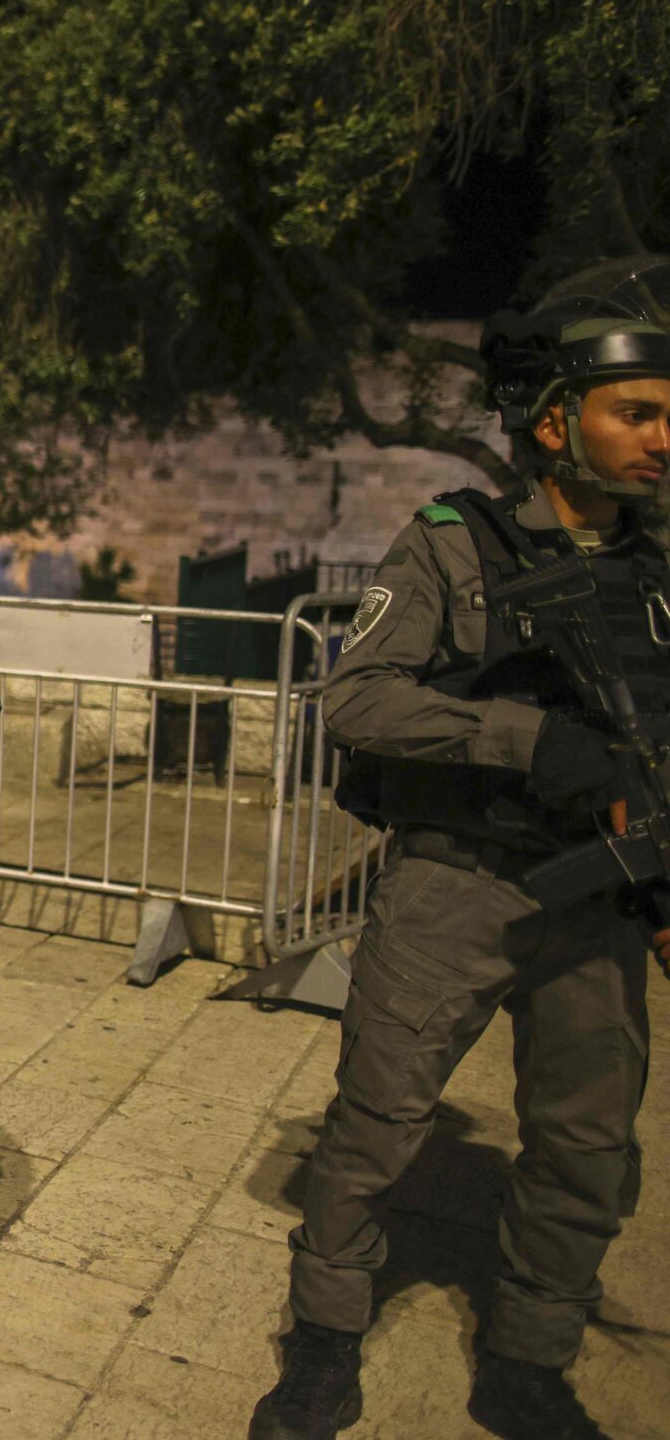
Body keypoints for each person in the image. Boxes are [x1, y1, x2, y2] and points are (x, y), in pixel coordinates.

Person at [251, 262, 670, 1440]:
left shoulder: (657, 574)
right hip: (454, 886)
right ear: (555, 421)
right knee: (374, 1126)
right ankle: (323, 1348)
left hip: (598, 898)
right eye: (635, 412)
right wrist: (524, 737)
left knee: (587, 1145)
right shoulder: (454, 544)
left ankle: (527, 1361)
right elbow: (357, 700)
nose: (660, 438)